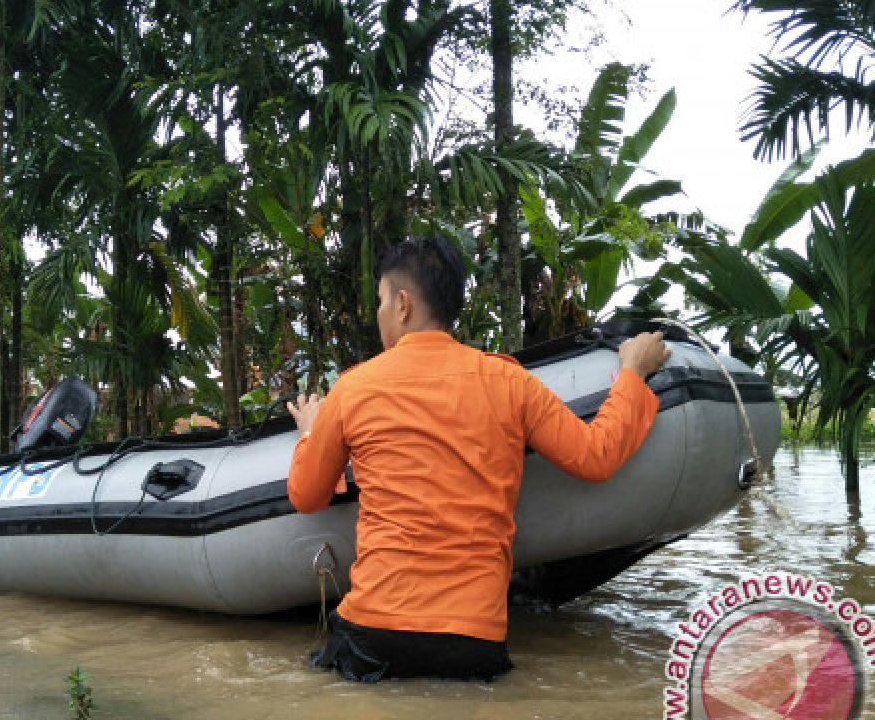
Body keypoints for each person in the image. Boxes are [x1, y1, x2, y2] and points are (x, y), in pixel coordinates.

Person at [285, 236, 671, 682]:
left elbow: (306, 495)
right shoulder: (509, 381)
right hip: (474, 641)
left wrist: (310, 431)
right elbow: (596, 456)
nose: (379, 315)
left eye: (381, 302)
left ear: (404, 304)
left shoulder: (353, 389)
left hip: (376, 632)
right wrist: (633, 374)